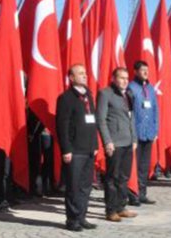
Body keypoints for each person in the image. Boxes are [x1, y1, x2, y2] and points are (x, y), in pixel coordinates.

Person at [56, 64, 99, 231]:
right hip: (74, 151)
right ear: (71, 78)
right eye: (80, 73)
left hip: (88, 149)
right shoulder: (66, 98)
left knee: (86, 186)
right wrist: (66, 149)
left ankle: (82, 217)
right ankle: (72, 220)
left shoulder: (88, 95)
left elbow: (93, 121)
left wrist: (95, 144)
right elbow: (62, 126)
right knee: (73, 187)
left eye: (85, 73)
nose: (84, 76)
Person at [96, 67, 138, 222]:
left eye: (127, 78)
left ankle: (121, 206)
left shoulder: (129, 94)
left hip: (128, 142)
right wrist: (107, 141)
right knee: (112, 177)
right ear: (113, 78)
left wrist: (134, 139)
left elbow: (132, 118)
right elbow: (101, 119)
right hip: (114, 143)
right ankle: (110, 210)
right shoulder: (105, 93)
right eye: (121, 77)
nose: (125, 81)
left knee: (124, 177)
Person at [127, 61, 159, 206]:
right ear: (135, 72)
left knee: (145, 165)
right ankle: (133, 194)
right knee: (135, 165)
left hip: (149, 133)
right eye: (142, 70)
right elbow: (129, 111)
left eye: (147, 70)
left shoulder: (151, 89)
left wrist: (155, 129)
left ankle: (143, 193)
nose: (146, 72)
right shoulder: (131, 88)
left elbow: (155, 111)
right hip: (136, 132)